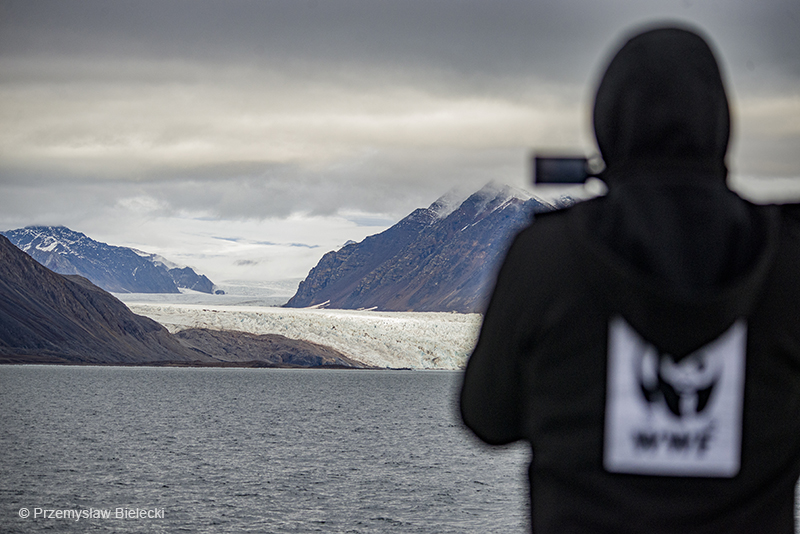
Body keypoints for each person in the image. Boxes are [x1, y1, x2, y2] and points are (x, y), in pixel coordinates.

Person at [460, 24, 800, 533]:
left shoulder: (546, 257)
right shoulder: (787, 260)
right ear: (720, 122)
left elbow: (487, 418)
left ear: (607, 121)